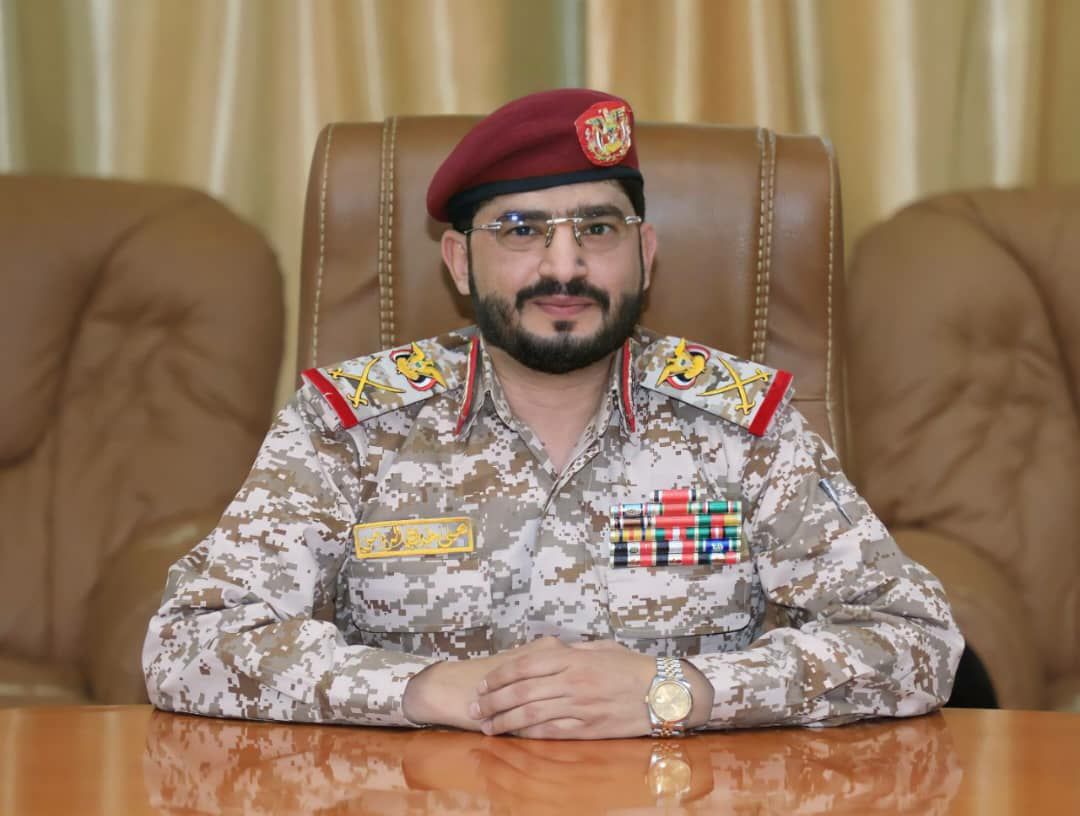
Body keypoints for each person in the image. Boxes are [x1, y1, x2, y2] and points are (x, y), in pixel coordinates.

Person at [143, 88, 963, 739]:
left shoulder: (742, 427)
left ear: (644, 255)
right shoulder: (354, 428)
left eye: (598, 228)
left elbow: (915, 639)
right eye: (520, 230)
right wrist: (428, 689)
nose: (563, 266)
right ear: (460, 261)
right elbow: (188, 643)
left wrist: (679, 691)